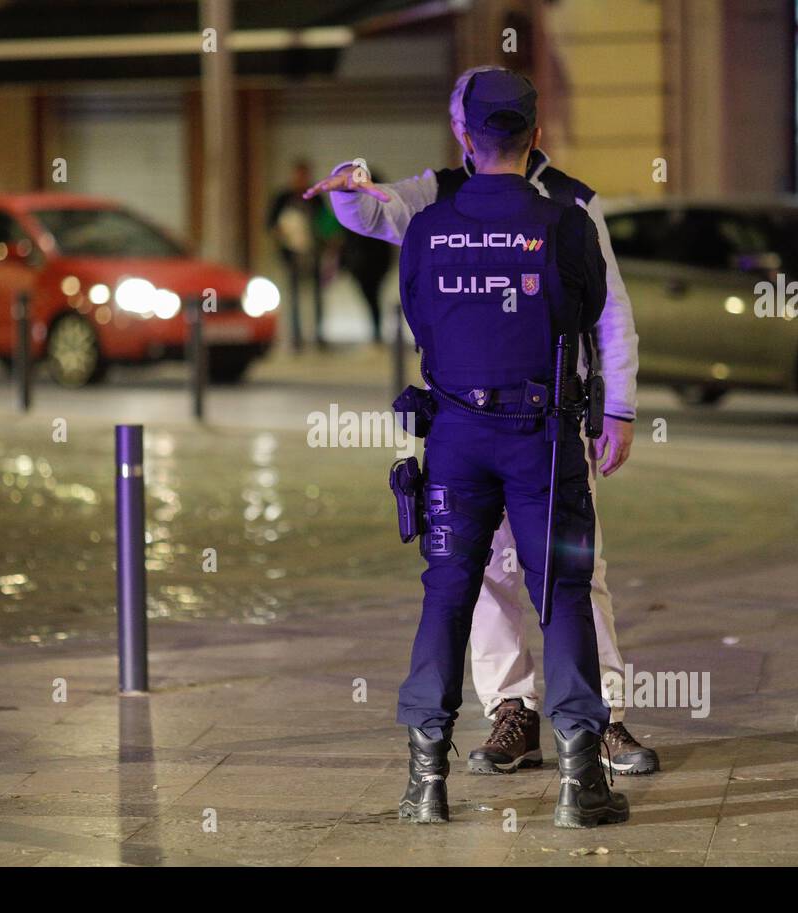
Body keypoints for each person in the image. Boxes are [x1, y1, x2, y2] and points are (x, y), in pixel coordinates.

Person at [305, 66, 657, 777]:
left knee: (575, 574)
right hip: (474, 421)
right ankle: (513, 711)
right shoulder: (439, 196)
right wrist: (352, 184)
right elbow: (376, 211)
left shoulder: (570, 206)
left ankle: (605, 718)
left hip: (550, 417)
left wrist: (616, 406)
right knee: (498, 572)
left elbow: (611, 314)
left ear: (474, 128)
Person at [387, 69, 628, 827]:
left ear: (465, 137)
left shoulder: (428, 227)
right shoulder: (566, 223)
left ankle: (427, 778)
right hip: (543, 440)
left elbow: (419, 320)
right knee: (562, 593)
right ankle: (579, 777)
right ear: (535, 133)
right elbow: (590, 315)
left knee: (448, 590)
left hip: (455, 436)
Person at [267, 160, 325, 349]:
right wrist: (284, 233)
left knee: (316, 295)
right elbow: (270, 224)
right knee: (293, 295)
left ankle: (318, 336)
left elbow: (326, 222)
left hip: (313, 252)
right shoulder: (283, 197)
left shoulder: (315, 197)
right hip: (290, 253)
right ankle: (296, 338)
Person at [340, 167, 395, 343]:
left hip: (374, 262)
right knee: (370, 297)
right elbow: (347, 238)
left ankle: (376, 334)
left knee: (372, 297)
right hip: (360, 263)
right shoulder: (354, 207)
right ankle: (376, 333)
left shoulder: (380, 207)